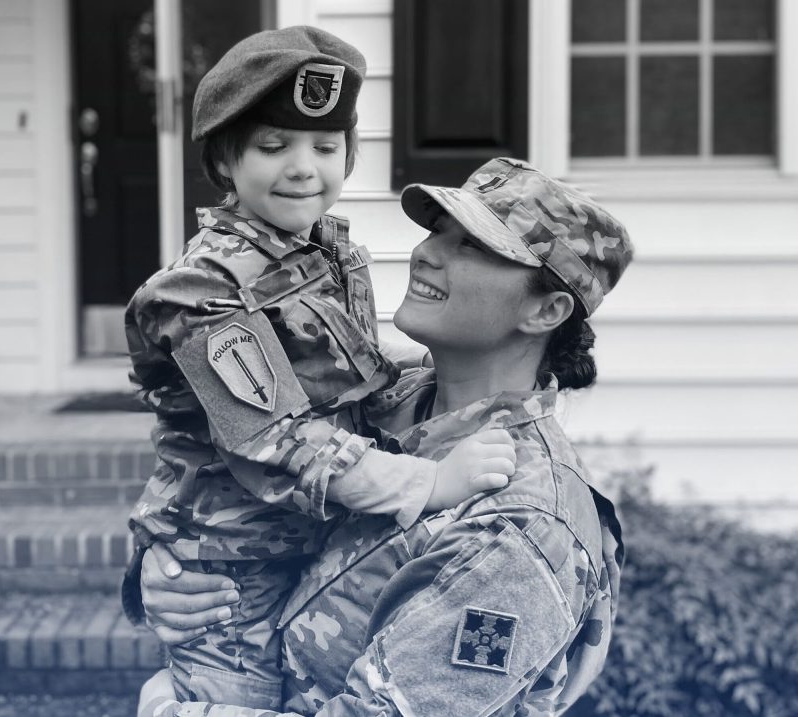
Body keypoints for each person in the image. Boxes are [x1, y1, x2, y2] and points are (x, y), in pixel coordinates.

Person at [132, 157, 633, 717]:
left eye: (471, 247)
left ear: (547, 310)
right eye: (437, 232)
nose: (427, 253)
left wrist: (167, 709)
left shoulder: (519, 531)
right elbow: (231, 476)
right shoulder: (381, 403)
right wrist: (173, 573)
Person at [124, 27, 516, 711]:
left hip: (305, 541)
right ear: (224, 159)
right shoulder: (202, 290)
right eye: (274, 147)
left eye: (327, 147)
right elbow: (277, 441)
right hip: (229, 573)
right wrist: (432, 480)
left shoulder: (326, 252)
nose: (304, 167)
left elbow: (360, 382)